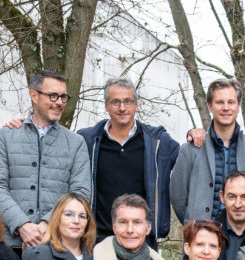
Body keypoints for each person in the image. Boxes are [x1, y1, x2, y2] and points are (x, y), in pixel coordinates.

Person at [0, 69, 91, 251]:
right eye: (53, 96)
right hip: (10, 246)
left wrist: (46, 225)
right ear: (34, 96)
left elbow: (80, 192)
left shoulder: (76, 143)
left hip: (56, 246)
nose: (59, 102)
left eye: (63, 97)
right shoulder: (7, 136)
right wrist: (22, 225)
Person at [77, 77, 180, 245]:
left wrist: (195, 134)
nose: (122, 108)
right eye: (115, 102)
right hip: (98, 239)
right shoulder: (87, 140)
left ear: (136, 105)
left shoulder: (159, 142)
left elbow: (188, 163)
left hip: (142, 240)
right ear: (106, 105)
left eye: (128, 101)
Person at [170, 78, 245, 224]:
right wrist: (194, 224)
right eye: (219, 102)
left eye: (231, 102)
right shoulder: (190, 150)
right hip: (201, 238)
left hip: (244, 240)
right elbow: (178, 197)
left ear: (238, 105)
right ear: (210, 106)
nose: (226, 107)